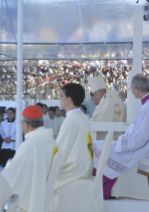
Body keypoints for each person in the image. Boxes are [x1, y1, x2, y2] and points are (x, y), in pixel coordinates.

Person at [93, 74, 149, 199]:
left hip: (138, 150)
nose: (131, 92)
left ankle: (98, 189)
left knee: (100, 148)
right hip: (134, 144)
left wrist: (120, 140)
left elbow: (140, 138)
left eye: (131, 89)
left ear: (137, 89)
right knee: (99, 146)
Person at [2, 106, 58, 212]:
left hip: (33, 200)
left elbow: (12, 175)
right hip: (48, 199)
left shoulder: (30, 144)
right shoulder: (54, 143)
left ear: (26, 124)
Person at [51, 83, 93, 211]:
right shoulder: (81, 115)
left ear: (69, 100)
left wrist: (48, 162)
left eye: (62, 95)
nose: (60, 99)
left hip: (75, 169)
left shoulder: (71, 120)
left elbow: (61, 151)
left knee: (42, 177)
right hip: (84, 165)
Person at [88, 74, 126, 139]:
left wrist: (86, 122)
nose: (94, 98)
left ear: (102, 92)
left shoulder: (107, 98)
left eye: (95, 94)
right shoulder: (113, 96)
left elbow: (101, 121)